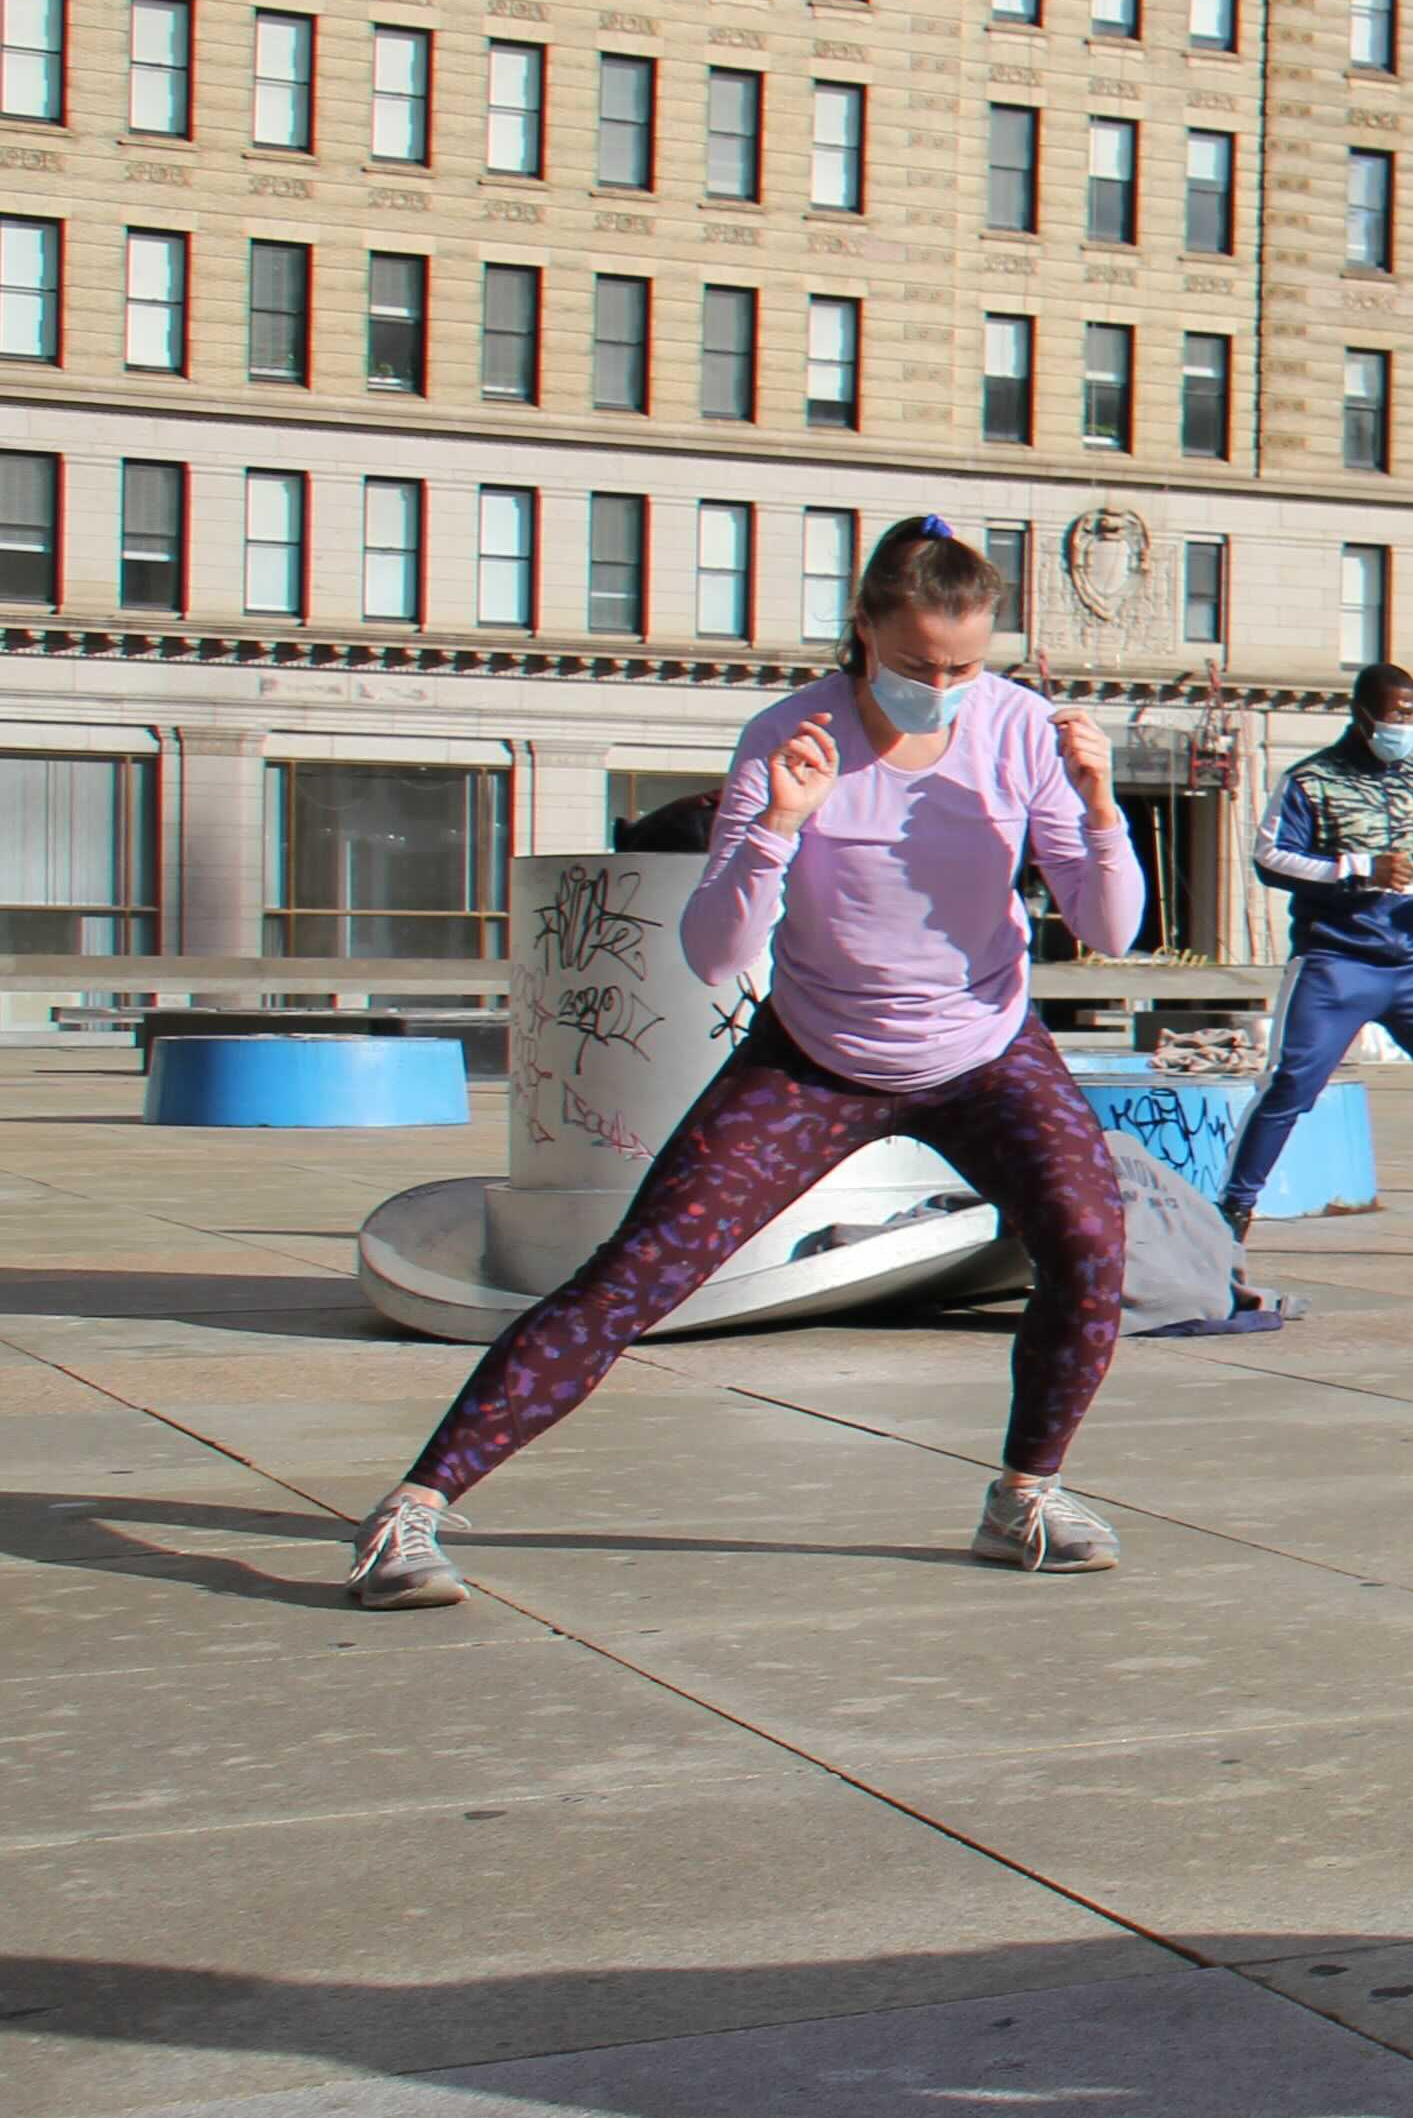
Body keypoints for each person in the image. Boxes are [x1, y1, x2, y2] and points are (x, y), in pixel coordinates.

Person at [343, 521, 1148, 1610]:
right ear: (863, 633)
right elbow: (716, 952)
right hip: (816, 1055)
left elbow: (1108, 932)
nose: (945, 689)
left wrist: (1099, 804)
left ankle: (1026, 1498)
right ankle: (413, 1512)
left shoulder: (1015, 732)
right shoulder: (790, 734)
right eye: (918, 667)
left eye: (967, 665)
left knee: (1092, 1243)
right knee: (638, 1272)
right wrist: (778, 824)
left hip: (985, 1048)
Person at [1221, 663, 1413, 1260]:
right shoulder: (1311, 780)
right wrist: (1355, 870)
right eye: (1398, 713)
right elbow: (1270, 859)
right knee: (1291, 1085)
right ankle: (1232, 1213)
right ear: (1364, 714)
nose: (1407, 724)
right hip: (1337, 960)